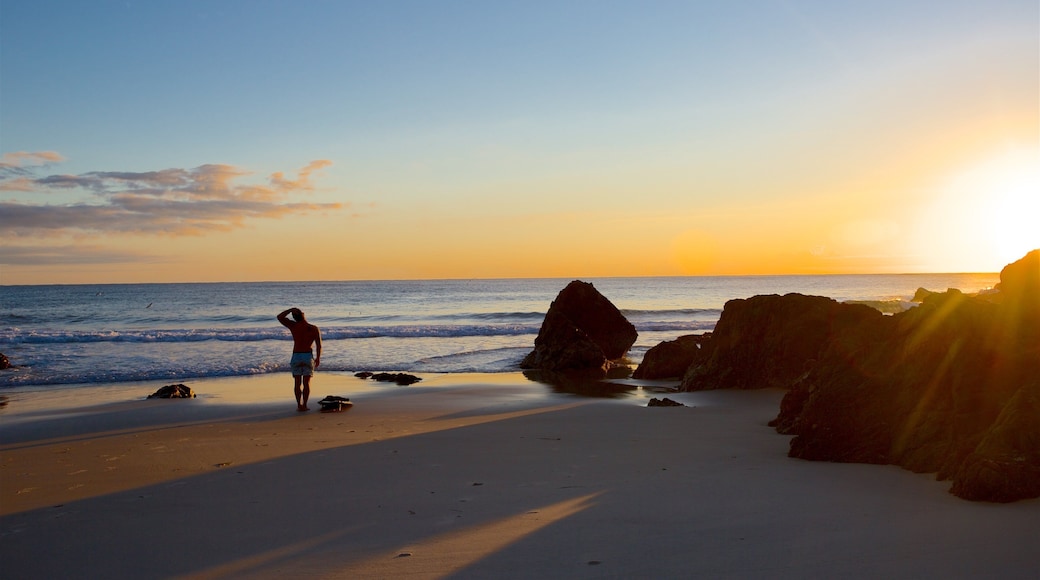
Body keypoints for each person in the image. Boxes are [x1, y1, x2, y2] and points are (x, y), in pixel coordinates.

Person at [277, 307, 322, 411]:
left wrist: (289, 310)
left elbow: (279, 317)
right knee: (306, 383)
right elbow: (319, 345)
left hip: (296, 355)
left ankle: (299, 405)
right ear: (303, 315)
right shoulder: (313, 328)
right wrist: (318, 358)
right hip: (307, 356)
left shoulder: (293, 326)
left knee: (297, 383)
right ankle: (305, 405)